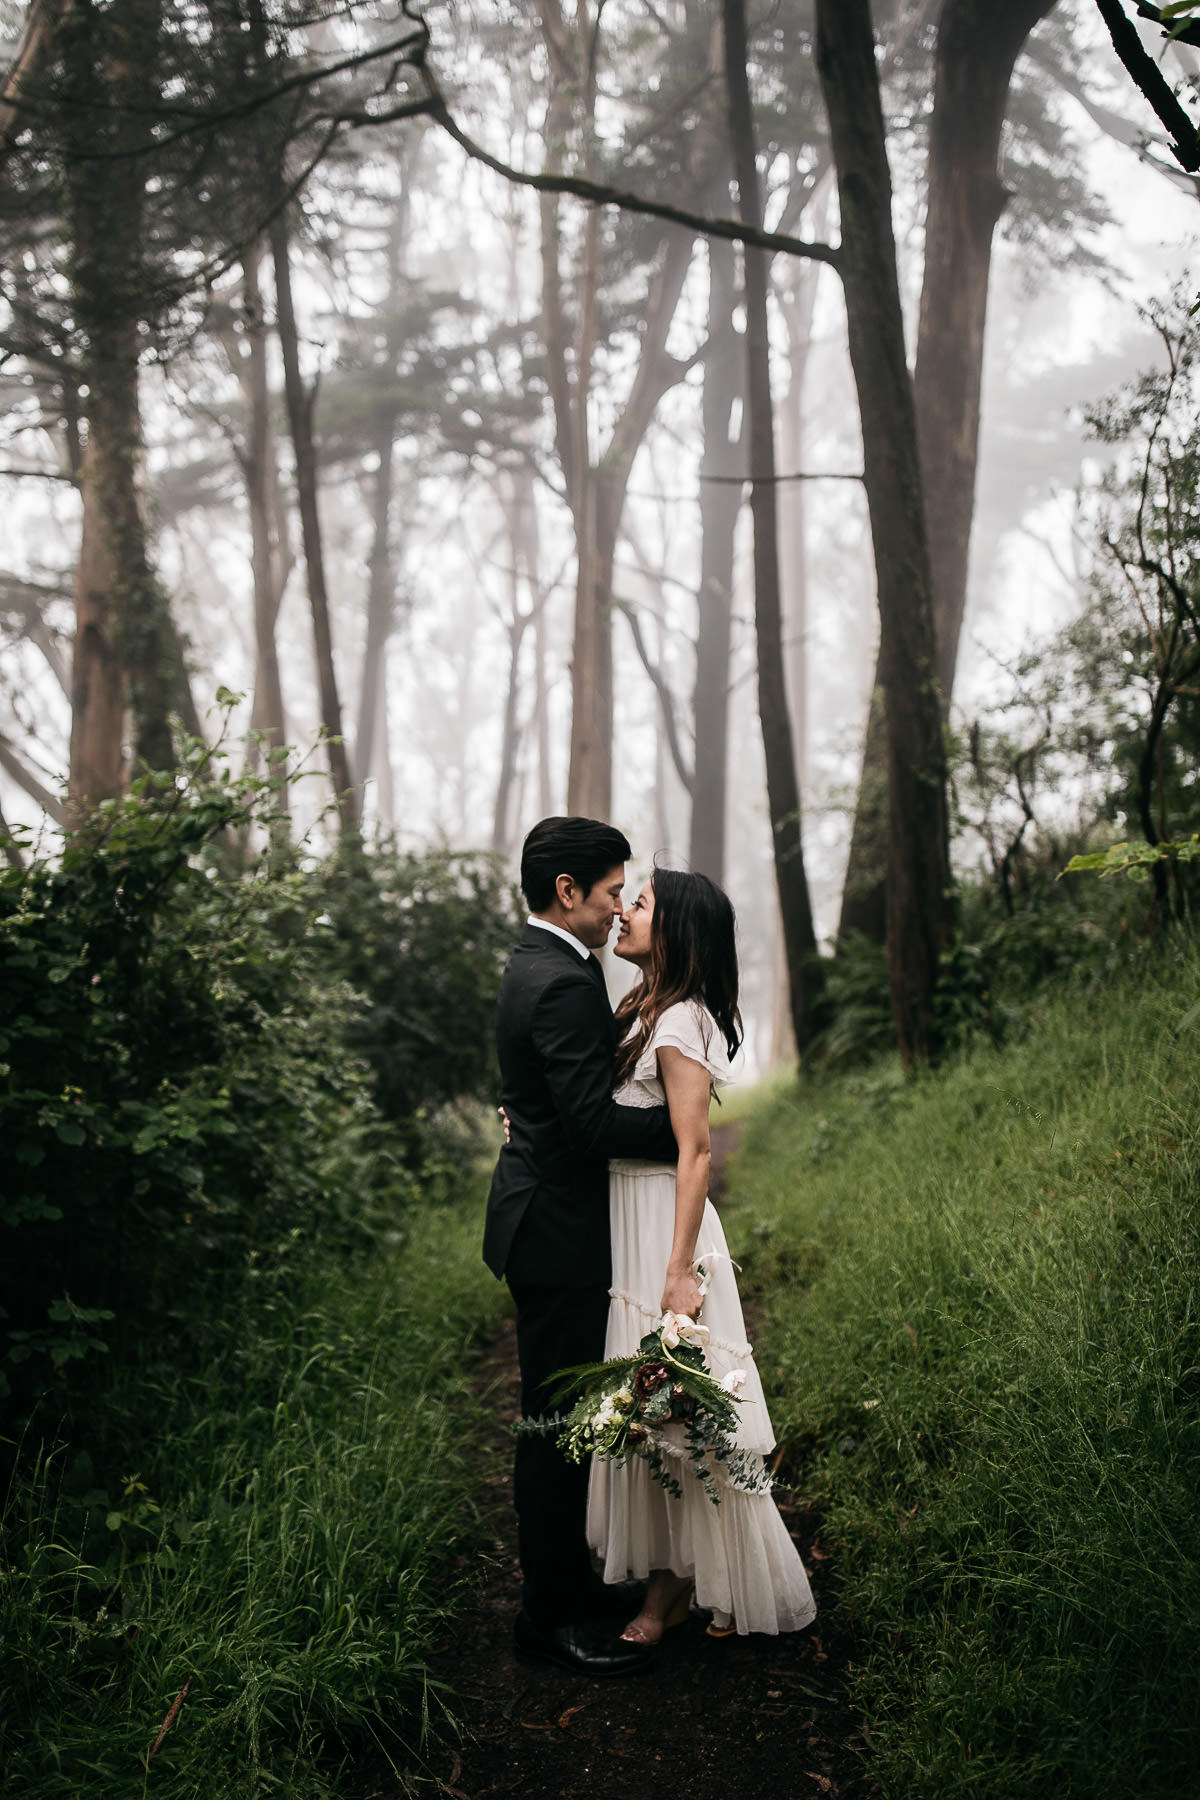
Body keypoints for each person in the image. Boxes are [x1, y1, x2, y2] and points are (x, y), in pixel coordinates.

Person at [588, 866, 817, 1643]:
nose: (622, 910)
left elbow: (694, 1152)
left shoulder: (681, 1020)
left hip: (664, 1228)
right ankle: (671, 1574)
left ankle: (672, 1591)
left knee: (674, 1416)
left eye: (640, 903)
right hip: (630, 1221)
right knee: (646, 1412)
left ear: (677, 928)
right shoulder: (641, 1010)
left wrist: (679, 1269)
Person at [483, 816, 678, 1676]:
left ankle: (568, 1588)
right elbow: (591, 1123)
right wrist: (688, 1129)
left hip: (546, 1220)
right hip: (554, 1234)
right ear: (568, 893)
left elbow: (536, 1086)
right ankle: (548, 1619)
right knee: (552, 1424)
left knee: (563, 1420)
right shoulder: (560, 978)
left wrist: (524, 1114)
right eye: (608, 894)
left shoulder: (541, 964)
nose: (614, 910)